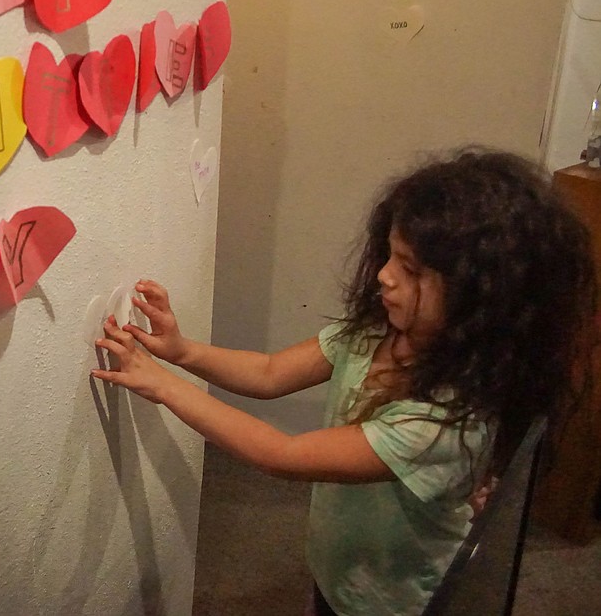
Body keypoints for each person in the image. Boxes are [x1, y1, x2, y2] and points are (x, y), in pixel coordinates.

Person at [91, 149, 596, 616]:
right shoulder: (376, 331)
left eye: (410, 269)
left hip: (393, 599)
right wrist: (184, 353)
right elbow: (269, 374)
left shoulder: (439, 422)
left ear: (483, 297)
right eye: (391, 255)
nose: (383, 276)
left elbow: (282, 455)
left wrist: (161, 384)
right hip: (343, 566)